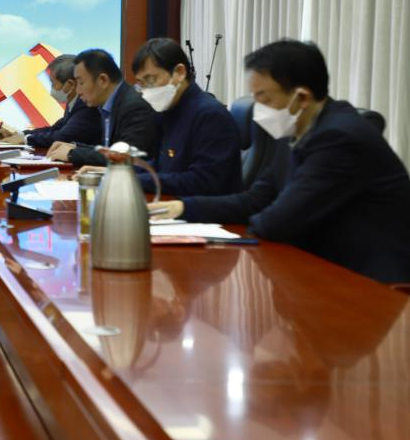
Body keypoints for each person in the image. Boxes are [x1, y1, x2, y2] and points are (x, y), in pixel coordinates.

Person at [153, 39, 410, 283]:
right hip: (319, 268)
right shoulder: (295, 129)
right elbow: (255, 200)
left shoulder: (339, 138)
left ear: (302, 98)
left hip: (370, 283)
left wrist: (247, 227)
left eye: (264, 98)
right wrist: (182, 208)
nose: (258, 109)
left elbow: (278, 222)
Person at [130, 38, 242, 196]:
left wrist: (136, 180)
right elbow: (162, 165)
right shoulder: (169, 110)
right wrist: (121, 172)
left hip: (205, 208)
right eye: (141, 83)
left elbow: (203, 182)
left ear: (179, 73)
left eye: (151, 80)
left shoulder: (210, 116)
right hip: (176, 202)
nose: (145, 90)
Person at [47, 48, 157, 167]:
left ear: (103, 80)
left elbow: (126, 157)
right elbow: (110, 150)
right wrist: (75, 147)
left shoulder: (134, 106)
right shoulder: (108, 104)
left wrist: (72, 153)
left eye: (81, 83)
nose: (78, 91)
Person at [1, 54, 101, 148]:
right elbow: (54, 129)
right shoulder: (73, 103)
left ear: (70, 84)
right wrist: (19, 134)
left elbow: (62, 137)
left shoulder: (86, 106)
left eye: (53, 83)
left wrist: (25, 139)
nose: (51, 88)